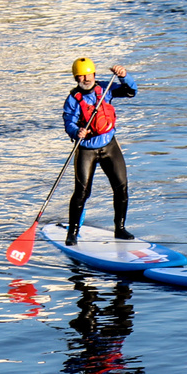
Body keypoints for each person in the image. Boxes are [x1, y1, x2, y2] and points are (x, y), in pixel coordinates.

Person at [62, 58, 138, 245]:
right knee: (82, 192)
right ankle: (72, 233)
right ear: (75, 77)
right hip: (86, 150)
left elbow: (131, 92)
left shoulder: (106, 89)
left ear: (94, 74)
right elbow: (68, 122)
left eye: (88, 74)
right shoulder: (73, 99)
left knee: (121, 187)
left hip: (109, 146)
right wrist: (76, 131)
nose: (85, 78)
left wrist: (124, 76)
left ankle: (119, 229)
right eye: (81, 75)